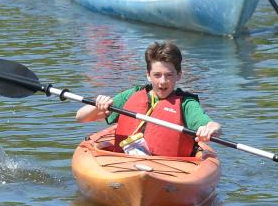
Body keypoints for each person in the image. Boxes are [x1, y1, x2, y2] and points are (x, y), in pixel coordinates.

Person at [75, 41, 221, 157]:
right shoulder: (131, 95)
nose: (163, 81)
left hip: (168, 169)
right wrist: (98, 106)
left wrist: (210, 129)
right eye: (157, 75)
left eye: (169, 75)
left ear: (179, 75)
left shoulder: (187, 104)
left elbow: (210, 125)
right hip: (125, 163)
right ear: (148, 75)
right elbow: (81, 117)